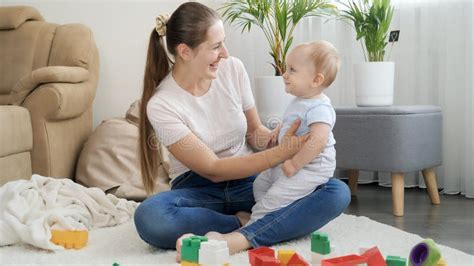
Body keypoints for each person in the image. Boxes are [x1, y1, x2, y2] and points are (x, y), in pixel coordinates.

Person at [133, 2, 350, 260]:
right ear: (185, 52)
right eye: (216, 47)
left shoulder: (232, 69)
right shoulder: (162, 104)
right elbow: (212, 169)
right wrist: (280, 153)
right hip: (200, 190)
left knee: (336, 192)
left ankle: (239, 238)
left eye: (223, 43)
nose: (224, 53)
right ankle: (241, 225)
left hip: (249, 182)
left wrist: (274, 138)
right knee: (151, 217)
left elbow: (253, 133)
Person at [246, 41, 341, 225]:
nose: (284, 74)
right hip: (287, 161)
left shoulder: (320, 107)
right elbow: (293, 121)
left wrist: (296, 164)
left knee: (274, 197)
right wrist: (277, 130)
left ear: (316, 80)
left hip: (309, 168)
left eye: (292, 70)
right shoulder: (301, 100)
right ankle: (274, 214)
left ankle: (254, 225)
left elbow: (318, 140)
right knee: (259, 185)